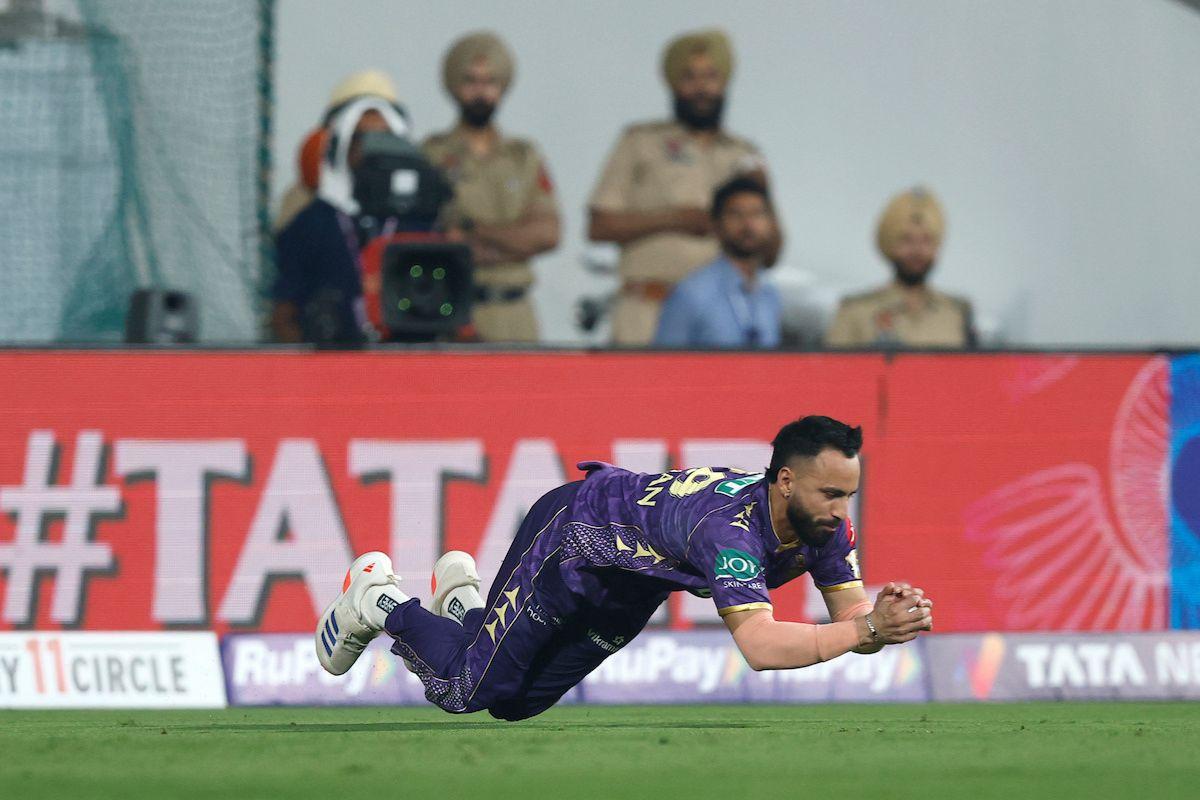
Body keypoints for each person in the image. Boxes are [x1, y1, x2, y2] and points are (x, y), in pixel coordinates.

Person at [315, 416, 935, 721]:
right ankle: (379, 600)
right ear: (786, 481)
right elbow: (761, 646)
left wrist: (883, 620)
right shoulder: (728, 531)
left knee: (515, 706)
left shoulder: (823, 527)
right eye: (830, 494)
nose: (840, 510)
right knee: (467, 693)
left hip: (630, 591)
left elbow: (852, 622)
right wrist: (865, 631)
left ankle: (467, 611)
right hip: (571, 546)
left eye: (848, 495)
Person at [588, 29, 780, 346]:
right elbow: (598, 225)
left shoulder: (744, 153)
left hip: (722, 316)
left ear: (724, 83)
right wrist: (677, 219)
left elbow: (771, 253)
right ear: (674, 84)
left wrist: (766, 195)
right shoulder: (640, 142)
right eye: (689, 77)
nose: (701, 87)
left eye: (711, 77)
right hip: (648, 308)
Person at [422, 31, 560, 343]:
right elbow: (437, 239)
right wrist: (513, 243)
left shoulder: (523, 156)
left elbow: (548, 233)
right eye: (470, 81)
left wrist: (476, 231)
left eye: (490, 83)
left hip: (516, 312)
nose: (480, 92)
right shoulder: (432, 155)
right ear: (455, 87)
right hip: (456, 311)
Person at [271, 72, 411, 344]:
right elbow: (284, 314)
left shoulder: (420, 220)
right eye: (361, 138)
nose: (374, 149)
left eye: (385, 137)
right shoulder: (308, 220)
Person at [826, 187, 976, 349]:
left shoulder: (956, 313)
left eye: (926, 241)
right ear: (890, 245)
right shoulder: (855, 312)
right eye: (906, 240)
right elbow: (832, 371)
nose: (917, 251)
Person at [653, 176, 782, 349]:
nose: (748, 224)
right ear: (717, 224)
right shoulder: (692, 293)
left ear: (770, 223)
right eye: (736, 214)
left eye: (756, 214)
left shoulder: (769, 294)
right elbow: (663, 366)